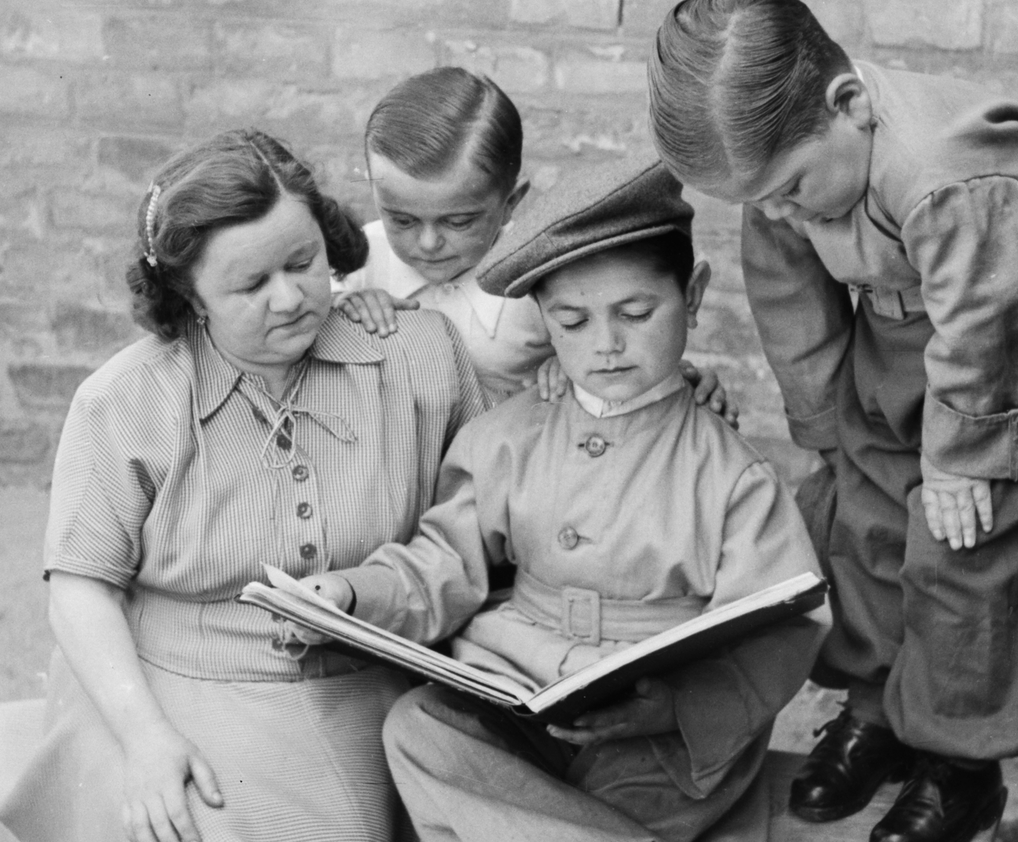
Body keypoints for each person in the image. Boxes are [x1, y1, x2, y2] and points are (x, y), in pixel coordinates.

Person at [646, 0, 1018, 842]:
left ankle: (958, 761)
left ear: (849, 103)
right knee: (864, 513)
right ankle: (879, 711)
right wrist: (826, 424)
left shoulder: (948, 175)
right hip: (911, 311)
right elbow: (790, 298)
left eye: (792, 190)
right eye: (761, 202)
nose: (784, 214)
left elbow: (989, 324)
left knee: (966, 537)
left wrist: (962, 458)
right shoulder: (785, 176)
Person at [303, 153, 831, 842]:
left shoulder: (733, 475)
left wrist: (673, 707)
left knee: (600, 794)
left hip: (657, 736)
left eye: (636, 313)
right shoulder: (506, 437)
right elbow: (442, 561)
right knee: (417, 728)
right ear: (543, 319)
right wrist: (351, 593)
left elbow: (780, 628)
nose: (606, 344)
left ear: (693, 296)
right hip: (517, 699)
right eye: (572, 321)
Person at [0, 129, 488, 842]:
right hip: (173, 685)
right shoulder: (127, 400)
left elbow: (481, 528)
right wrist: (144, 737)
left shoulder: (421, 356)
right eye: (251, 285)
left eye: (303, 261)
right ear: (189, 296)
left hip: (382, 672)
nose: (289, 297)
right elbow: (79, 587)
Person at [336, 66, 737, 423]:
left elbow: (617, 349)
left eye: (459, 221)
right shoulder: (356, 259)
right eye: (401, 219)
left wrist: (680, 382)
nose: (427, 243)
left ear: (511, 202)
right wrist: (341, 313)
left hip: (503, 474)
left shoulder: (541, 271)